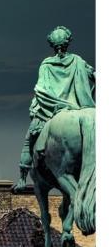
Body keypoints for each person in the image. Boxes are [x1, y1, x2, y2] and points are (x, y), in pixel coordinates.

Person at [14, 26, 95, 192]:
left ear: (52, 44)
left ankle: (22, 179)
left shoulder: (46, 64)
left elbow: (42, 89)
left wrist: (51, 103)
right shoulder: (78, 61)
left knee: (29, 139)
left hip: (52, 109)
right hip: (79, 107)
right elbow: (95, 76)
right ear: (68, 42)